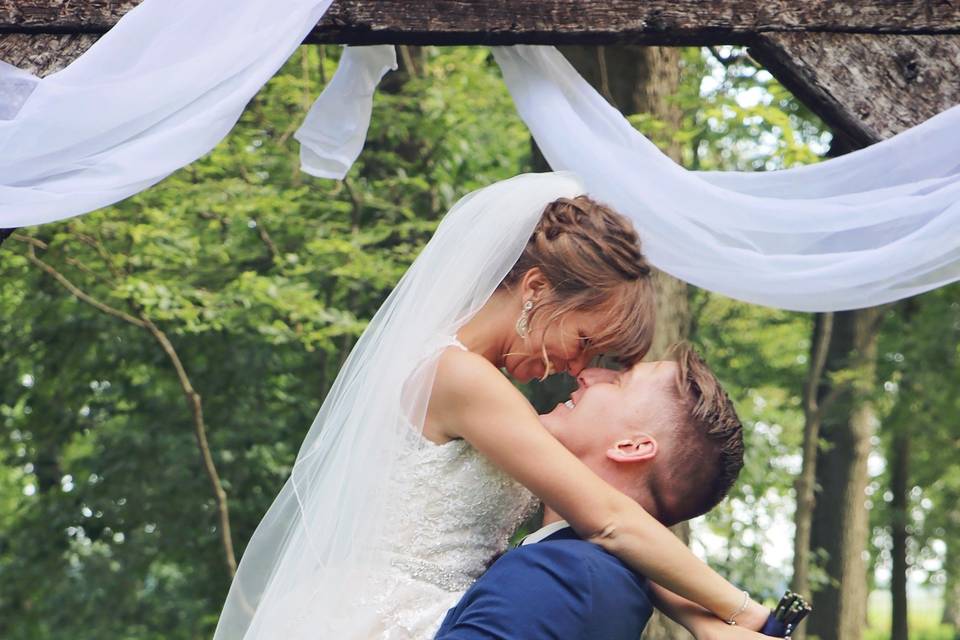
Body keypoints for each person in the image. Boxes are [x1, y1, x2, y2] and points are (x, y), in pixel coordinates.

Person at [214, 173, 769, 639]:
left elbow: (602, 517)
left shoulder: (484, 390)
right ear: (535, 291)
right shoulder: (458, 376)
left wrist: (701, 622)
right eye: (583, 341)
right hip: (383, 616)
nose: (578, 369)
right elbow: (609, 520)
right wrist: (742, 611)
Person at [436, 348, 773, 639]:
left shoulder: (563, 575)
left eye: (619, 381)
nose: (588, 374)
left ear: (631, 447)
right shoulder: (601, 575)